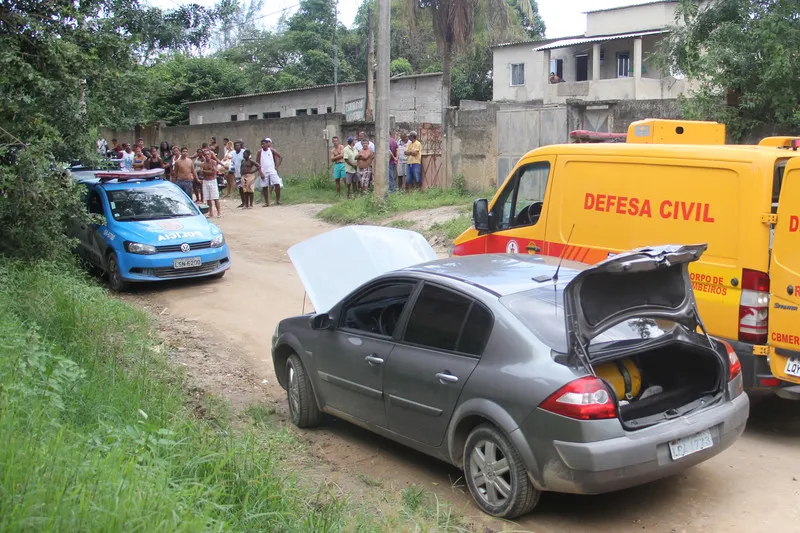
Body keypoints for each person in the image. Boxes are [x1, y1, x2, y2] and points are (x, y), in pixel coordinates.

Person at [257, 138, 283, 206]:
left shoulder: (271, 150)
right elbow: (257, 163)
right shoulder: (260, 152)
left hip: (272, 170)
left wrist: (277, 166)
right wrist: (260, 172)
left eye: (264, 144)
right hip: (264, 171)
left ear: (267, 144)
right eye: (261, 144)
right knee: (265, 187)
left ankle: (277, 200)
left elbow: (280, 157)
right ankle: (267, 202)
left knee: (277, 184)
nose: (262, 145)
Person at [199, 150, 221, 217]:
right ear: (204, 156)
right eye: (205, 154)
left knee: (215, 197)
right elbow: (201, 173)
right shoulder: (202, 164)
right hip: (205, 181)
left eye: (208, 154)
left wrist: (205, 171)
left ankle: (219, 212)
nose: (207, 156)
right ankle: (210, 212)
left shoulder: (213, 162)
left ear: (210, 155)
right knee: (208, 198)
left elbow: (213, 172)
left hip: (212, 180)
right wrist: (208, 171)